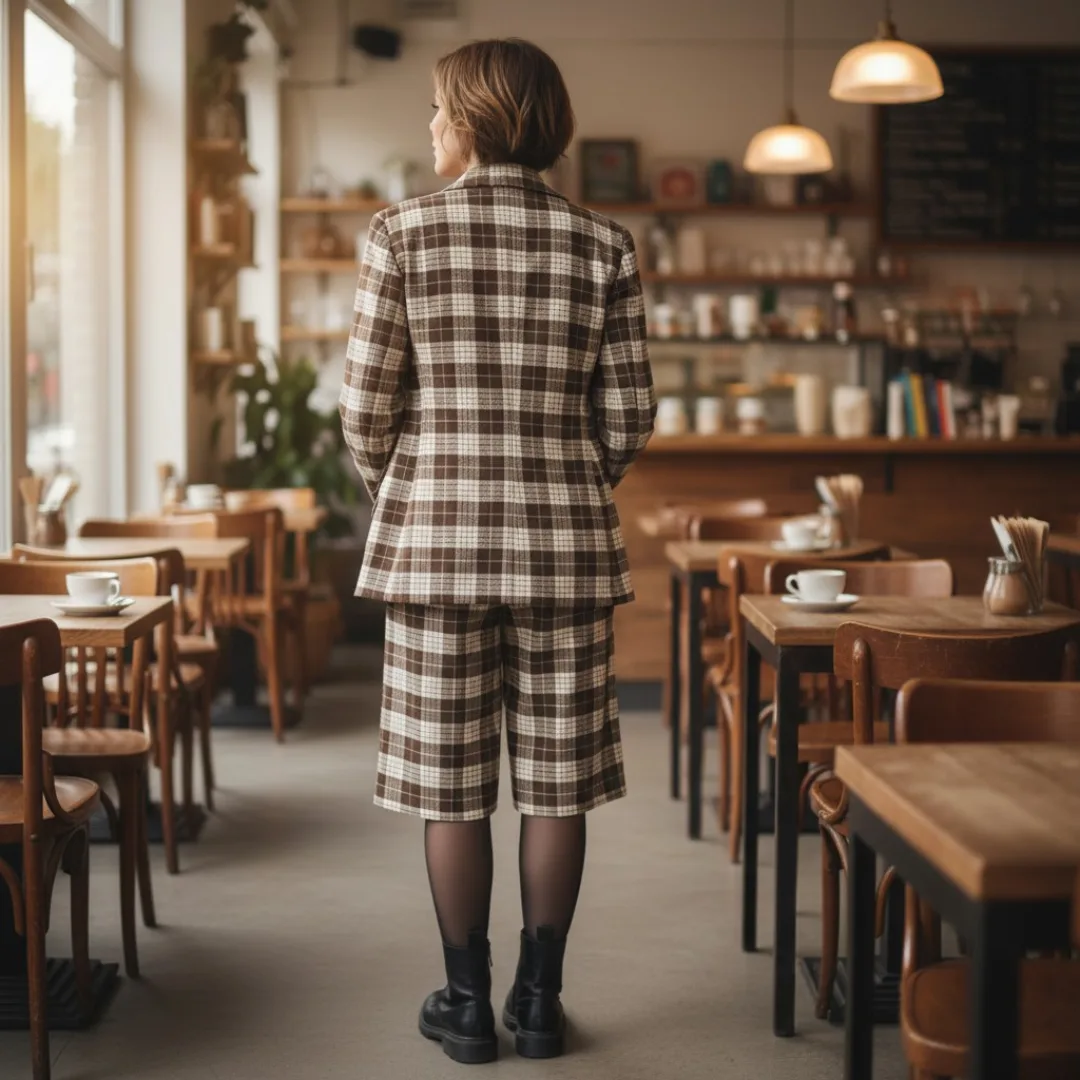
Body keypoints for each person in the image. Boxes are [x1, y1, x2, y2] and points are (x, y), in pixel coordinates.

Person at [340, 37, 655, 1064]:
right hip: (565, 547)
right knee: (557, 784)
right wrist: (567, 484)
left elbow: (362, 409)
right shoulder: (604, 244)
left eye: (438, 111)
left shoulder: (400, 234)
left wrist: (419, 487)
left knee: (450, 783)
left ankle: (466, 1004)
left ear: (471, 120)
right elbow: (631, 417)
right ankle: (538, 1004)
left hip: (436, 551)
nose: (431, 128)